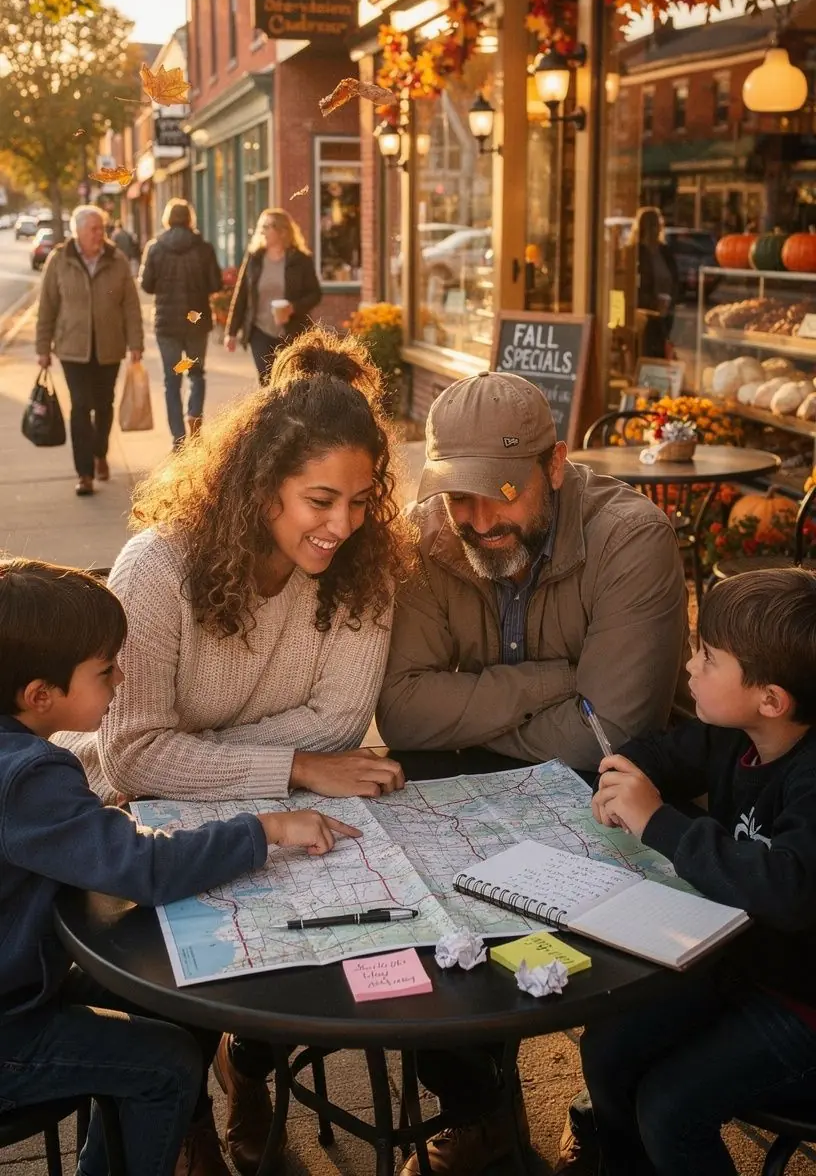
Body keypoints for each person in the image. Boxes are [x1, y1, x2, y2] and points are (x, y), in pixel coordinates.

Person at [59, 328, 406, 1173]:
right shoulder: (159, 567)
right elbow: (135, 756)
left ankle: (248, 1076)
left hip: (277, 815)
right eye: (319, 500)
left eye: (360, 501)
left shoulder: (365, 567)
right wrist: (290, 765)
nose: (342, 526)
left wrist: (210, 750)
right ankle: (183, 1117)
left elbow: (339, 724)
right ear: (261, 489)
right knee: (179, 979)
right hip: (134, 823)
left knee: (327, 948)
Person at [377, 370, 689, 1176]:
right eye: (460, 499)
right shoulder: (424, 539)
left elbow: (611, 730)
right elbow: (403, 712)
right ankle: (477, 1111)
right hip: (463, 782)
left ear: (555, 465)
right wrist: (556, 680)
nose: (479, 522)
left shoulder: (630, 538)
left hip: (611, 791)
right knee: (423, 934)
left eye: (501, 494)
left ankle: (608, 1114)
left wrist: (478, 715)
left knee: (616, 976)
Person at [0, 557, 359, 1176]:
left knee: (161, 985)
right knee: (165, 1063)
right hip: (10, 1029)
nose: (118, 683)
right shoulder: (31, 777)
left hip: (22, 977)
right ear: (39, 695)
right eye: (106, 671)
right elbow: (145, 869)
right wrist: (265, 828)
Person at [579, 567, 816, 1176]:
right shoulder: (733, 733)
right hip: (738, 964)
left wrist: (656, 820)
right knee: (609, 1048)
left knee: (670, 1107)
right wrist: (623, 769)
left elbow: (787, 889)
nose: (690, 667)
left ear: (771, 698)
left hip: (805, 1005)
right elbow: (663, 754)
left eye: (708, 657)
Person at [36, 204, 143, 496]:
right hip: (73, 349)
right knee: (81, 406)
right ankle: (84, 473)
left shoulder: (116, 259)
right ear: (79, 232)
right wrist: (42, 348)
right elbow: (47, 306)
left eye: (102, 228)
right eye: (94, 229)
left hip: (109, 347)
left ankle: (100, 452)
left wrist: (136, 343)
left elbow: (131, 305)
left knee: (104, 404)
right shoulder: (60, 260)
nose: (100, 234)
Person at [140, 198, 223, 447]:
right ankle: (194, 418)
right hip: (196, 323)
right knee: (196, 374)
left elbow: (146, 285)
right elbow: (215, 284)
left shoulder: (155, 248)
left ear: (167, 219)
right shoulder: (204, 248)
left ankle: (178, 438)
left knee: (172, 380)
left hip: (167, 325)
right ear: (190, 219)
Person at [226, 208, 321, 384]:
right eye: (261, 226)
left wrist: (293, 307)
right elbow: (241, 296)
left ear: (282, 230)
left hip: (292, 330)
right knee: (267, 379)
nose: (262, 230)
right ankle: (269, 412)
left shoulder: (300, 260)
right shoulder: (254, 259)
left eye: (267, 226)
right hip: (260, 330)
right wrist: (231, 332)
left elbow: (315, 294)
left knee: (291, 381)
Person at [627, 205, 679, 359]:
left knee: (662, 348)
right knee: (646, 350)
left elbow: (675, 278)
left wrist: (671, 301)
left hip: (666, 312)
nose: (654, 229)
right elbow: (630, 285)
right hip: (644, 313)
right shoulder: (635, 252)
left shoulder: (665, 251)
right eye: (650, 225)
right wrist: (650, 302)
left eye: (656, 224)